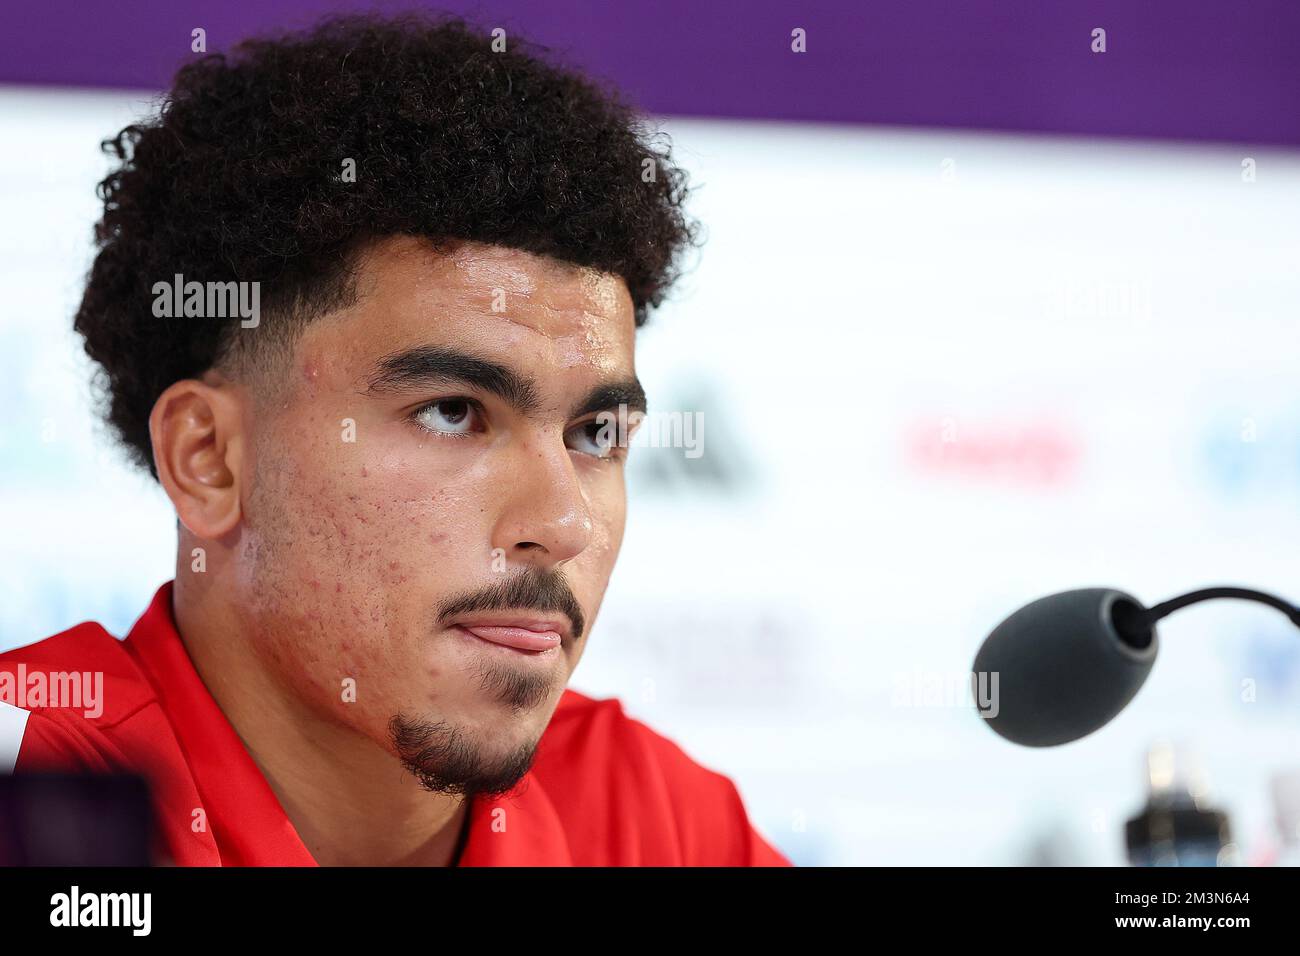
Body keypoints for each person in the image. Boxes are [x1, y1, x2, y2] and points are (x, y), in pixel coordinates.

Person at [0, 12, 790, 867]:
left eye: (594, 432)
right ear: (210, 457)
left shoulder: (652, 820)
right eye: (454, 411)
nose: (562, 524)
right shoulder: (31, 790)